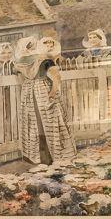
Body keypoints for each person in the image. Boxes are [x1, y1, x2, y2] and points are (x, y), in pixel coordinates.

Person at [11, 35, 74, 165]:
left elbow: (18, 75)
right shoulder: (44, 60)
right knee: (50, 122)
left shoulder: (18, 63)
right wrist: (52, 93)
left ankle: (38, 157)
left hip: (28, 93)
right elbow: (56, 79)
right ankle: (52, 156)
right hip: (43, 91)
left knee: (35, 124)